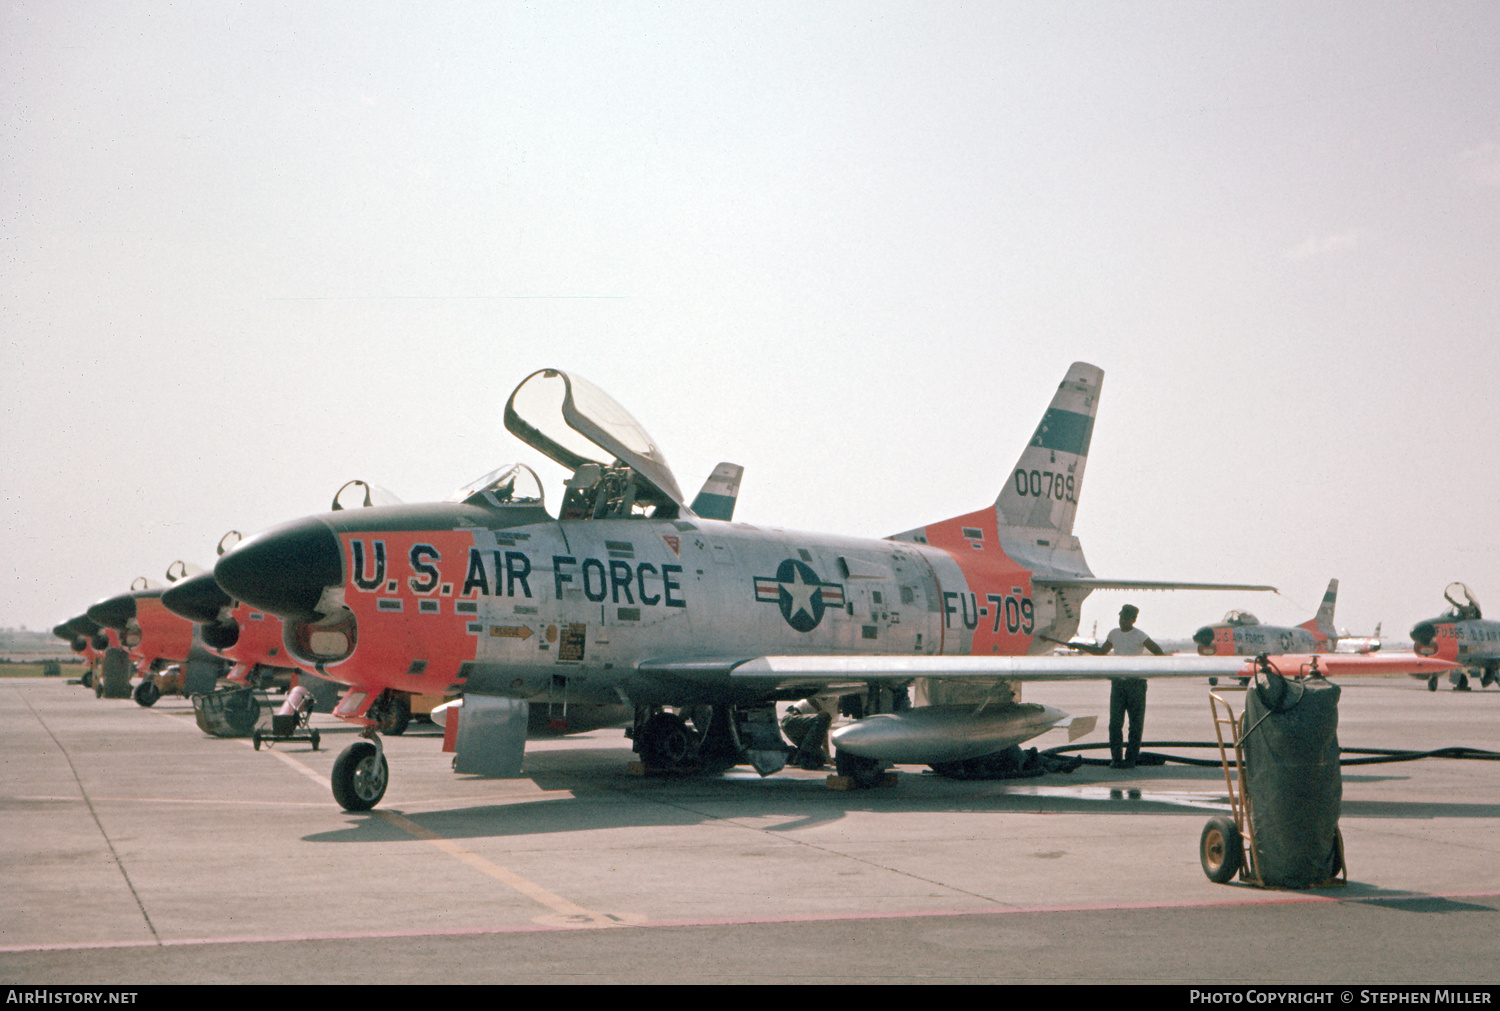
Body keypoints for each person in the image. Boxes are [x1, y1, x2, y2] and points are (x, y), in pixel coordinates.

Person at [1069, 604, 1163, 769]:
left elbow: (1158, 651)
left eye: (1126, 618)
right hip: (1118, 684)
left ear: (1134, 619)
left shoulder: (1139, 635)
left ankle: (1131, 760)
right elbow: (1101, 651)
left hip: (1136, 684)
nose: (1122, 621)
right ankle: (1116, 759)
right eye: (1121, 617)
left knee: (1135, 725)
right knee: (1115, 724)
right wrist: (1081, 647)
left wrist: (1144, 668)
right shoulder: (1114, 634)